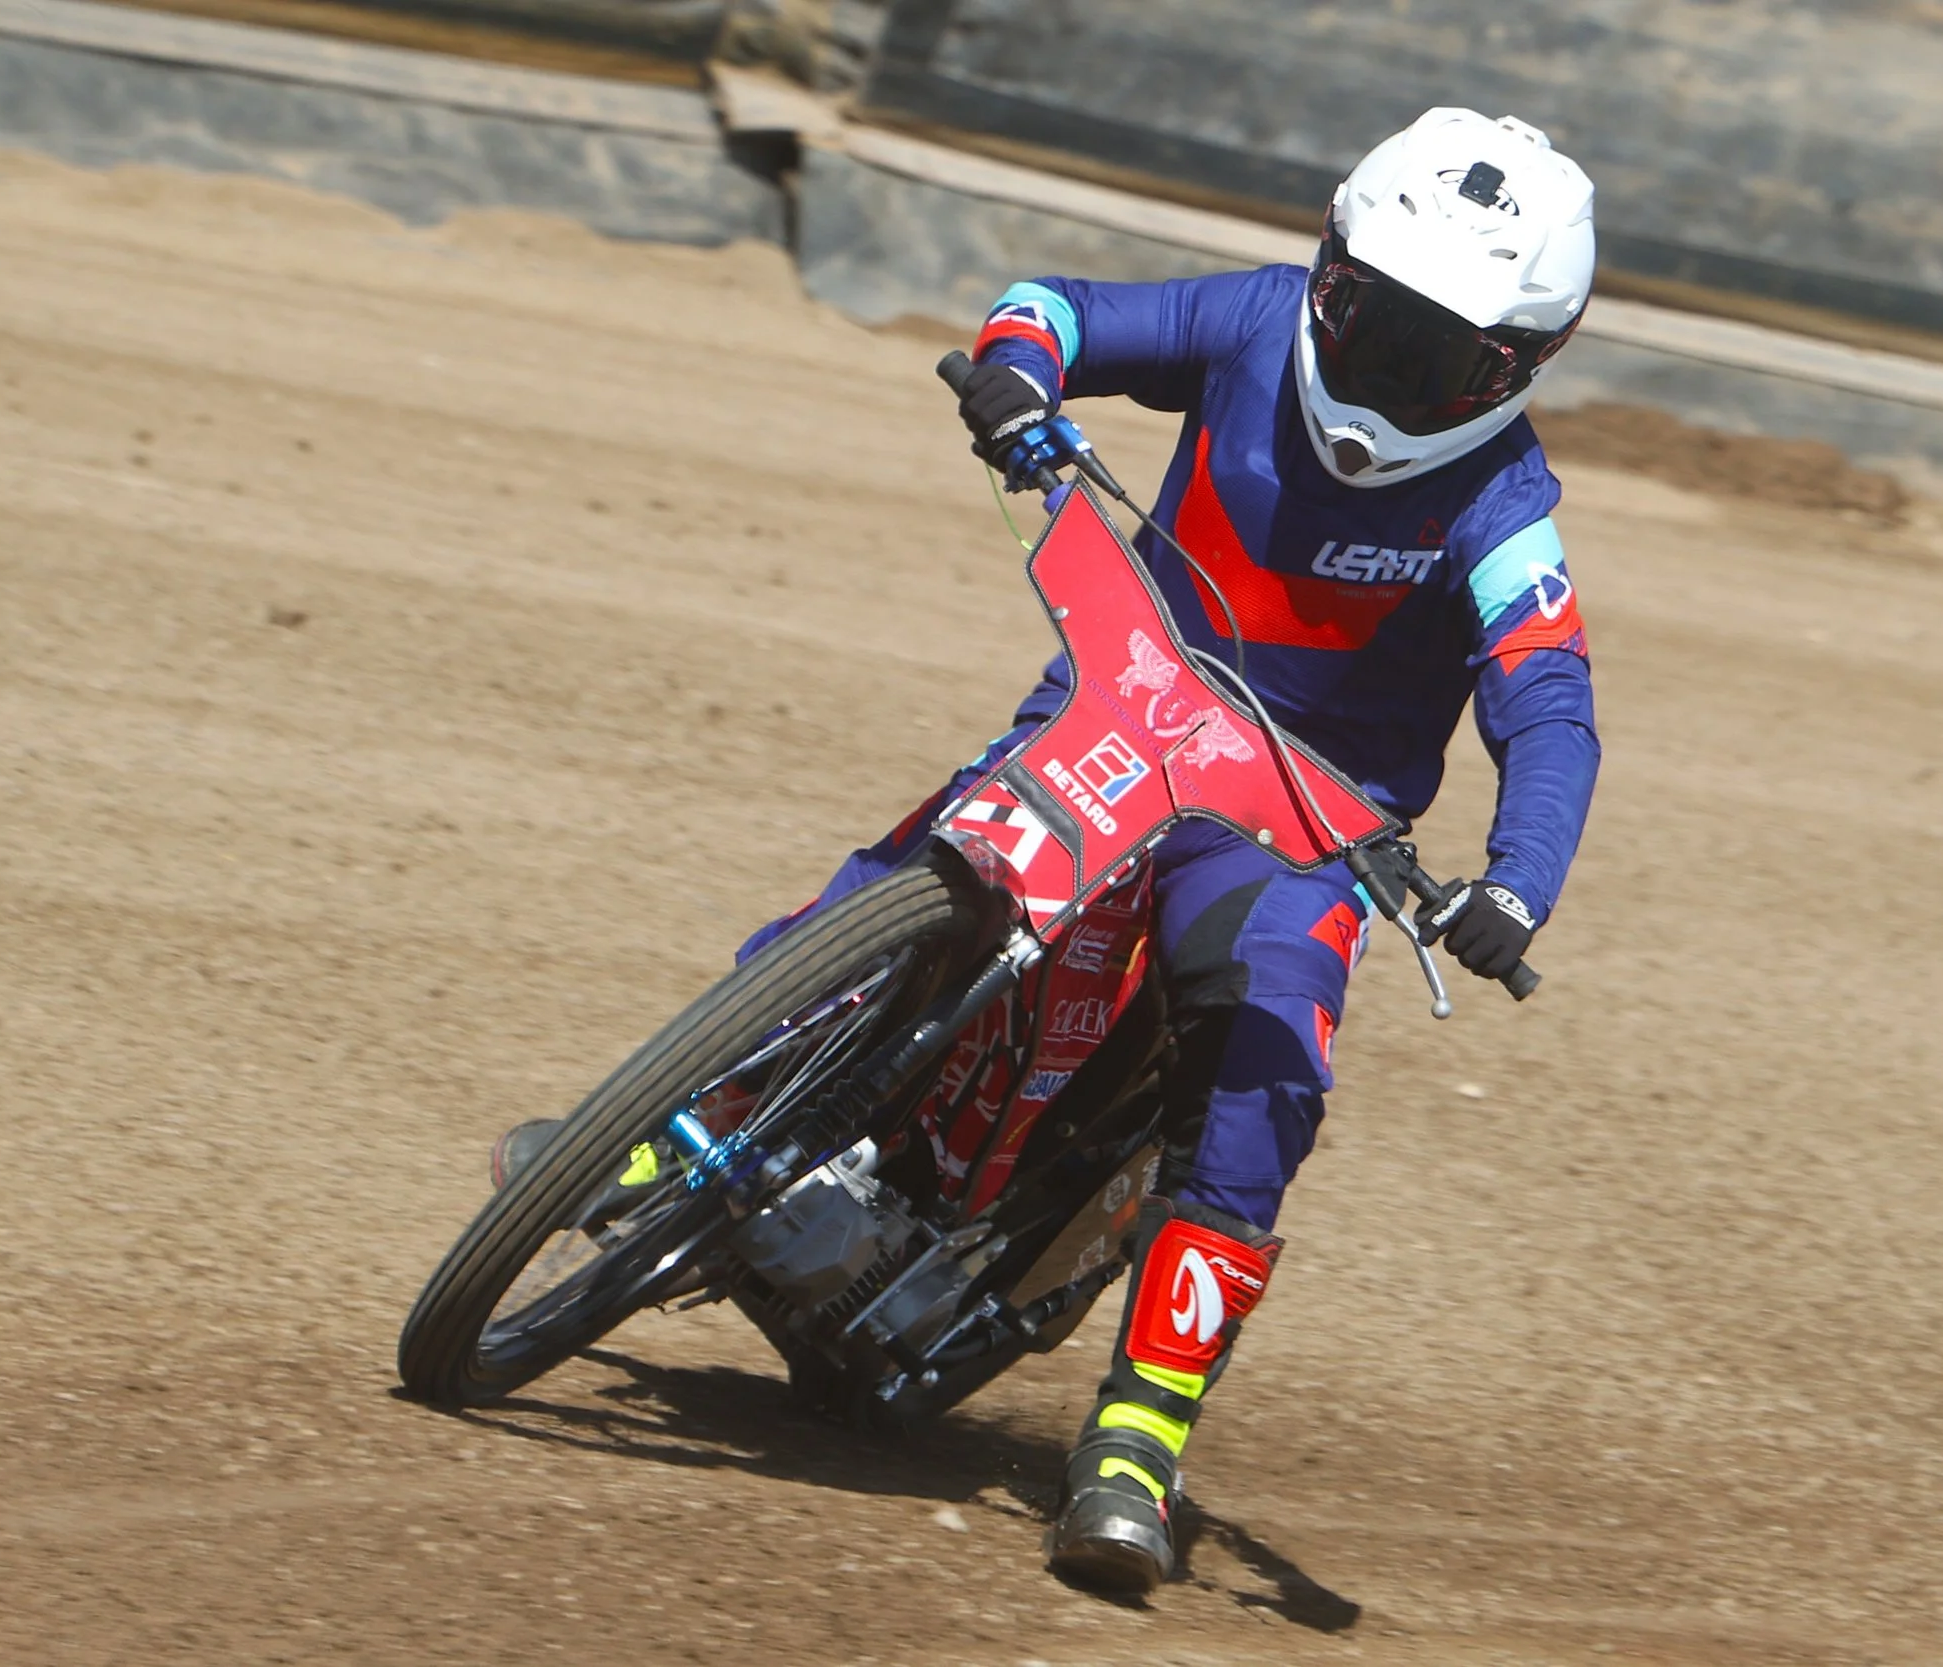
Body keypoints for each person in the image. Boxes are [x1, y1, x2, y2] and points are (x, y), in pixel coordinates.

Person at [503, 106, 1602, 1593]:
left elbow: (1552, 709)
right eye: (1367, 318)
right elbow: (1055, 311)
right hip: (1125, 691)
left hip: (1293, 822)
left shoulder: (1505, 503)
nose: (1381, 371)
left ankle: (1138, 1436)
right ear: (1326, 266)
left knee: (1269, 1051)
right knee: (932, 858)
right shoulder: (1249, 321)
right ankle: (687, 1112)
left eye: (1435, 354)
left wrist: (1517, 879)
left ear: (1517, 368)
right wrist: (1018, 382)